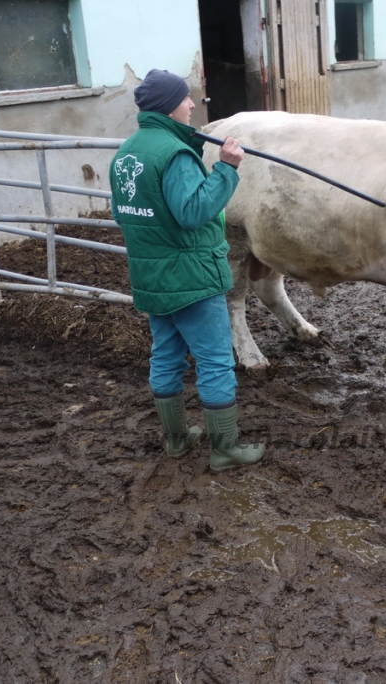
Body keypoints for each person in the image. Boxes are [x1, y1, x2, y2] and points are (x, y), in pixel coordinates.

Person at [108, 68, 264, 472]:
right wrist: (227, 168)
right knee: (215, 361)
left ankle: (177, 440)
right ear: (168, 106)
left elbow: (123, 215)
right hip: (192, 278)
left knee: (166, 356)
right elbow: (192, 211)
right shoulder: (175, 155)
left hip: (152, 277)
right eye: (185, 98)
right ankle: (225, 449)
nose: (193, 104)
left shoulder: (127, 152)